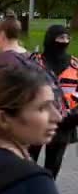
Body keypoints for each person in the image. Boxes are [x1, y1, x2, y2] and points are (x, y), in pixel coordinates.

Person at [28, 25, 78, 178]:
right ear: (50, 39)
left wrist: (73, 114)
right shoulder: (34, 62)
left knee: (53, 167)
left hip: (64, 123)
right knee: (28, 164)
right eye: (59, 37)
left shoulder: (75, 65)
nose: (64, 41)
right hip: (36, 121)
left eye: (66, 38)